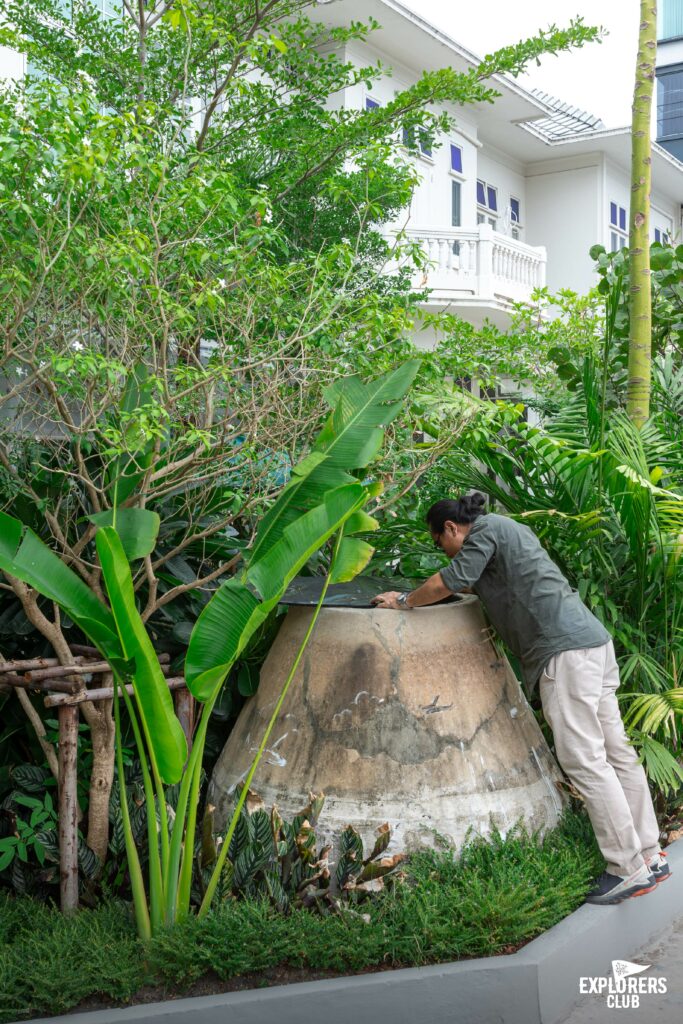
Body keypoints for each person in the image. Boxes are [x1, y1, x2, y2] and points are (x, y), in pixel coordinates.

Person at [371, 492, 671, 905]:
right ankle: (651, 854)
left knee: (586, 761)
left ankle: (626, 867)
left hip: (564, 655)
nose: (442, 548)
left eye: (439, 541)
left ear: (453, 528)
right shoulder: (508, 530)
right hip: (592, 644)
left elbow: (451, 580)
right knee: (617, 753)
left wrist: (403, 602)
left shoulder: (486, 532)